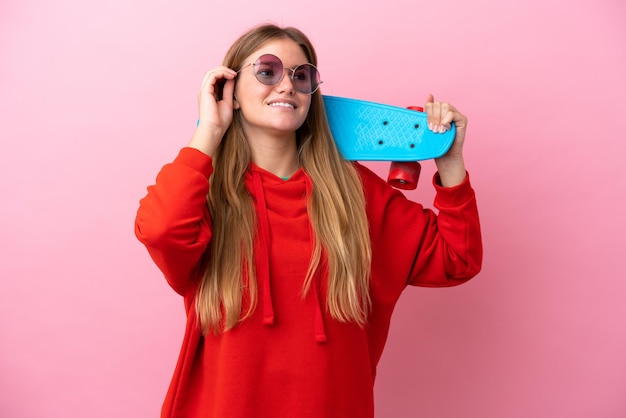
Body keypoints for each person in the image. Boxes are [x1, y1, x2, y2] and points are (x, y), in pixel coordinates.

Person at [135, 23, 482, 418]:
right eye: (268, 70)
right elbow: (161, 229)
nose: (287, 85)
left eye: (302, 76)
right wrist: (209, 130)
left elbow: (458, 258)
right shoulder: (205, 191)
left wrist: (451, 161)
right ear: (228, 89)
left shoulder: (354, 193)